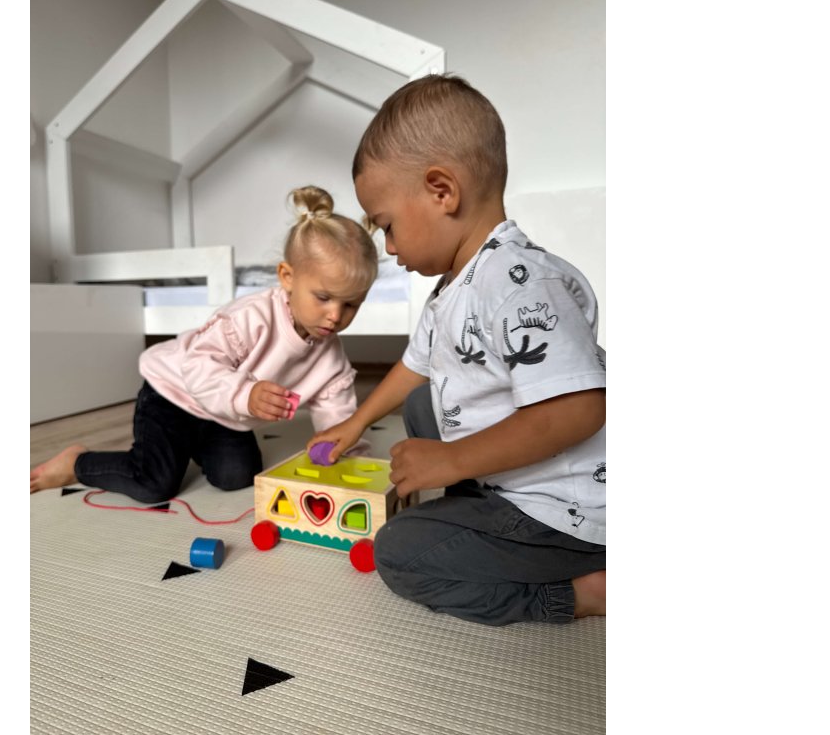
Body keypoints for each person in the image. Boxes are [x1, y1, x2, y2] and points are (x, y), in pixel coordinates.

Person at [307, 75, 606, 626]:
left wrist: (452, 461)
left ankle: (583, 592)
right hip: (509, 480)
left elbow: (579, 410)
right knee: (423, 403)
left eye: (388, 226)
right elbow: (413, 367)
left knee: (398, 553)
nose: (389, 247)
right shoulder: (452, 286)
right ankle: (475, 500)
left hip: (564, 512)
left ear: (442, 191)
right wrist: (355, 422)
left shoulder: (517, 283)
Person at [31, 186, 379, 503]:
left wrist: (346, 460)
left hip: (223, 415)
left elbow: (337, 417)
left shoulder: (331, 359)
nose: (336, 316)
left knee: (237, 476)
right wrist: (246, 395)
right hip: (174, 394)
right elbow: (197, 366)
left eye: (351, 304)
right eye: (323, 297)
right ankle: (77, 463)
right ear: (287, 277)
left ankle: (188, 446)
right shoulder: (251, 317)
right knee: (154, 484)